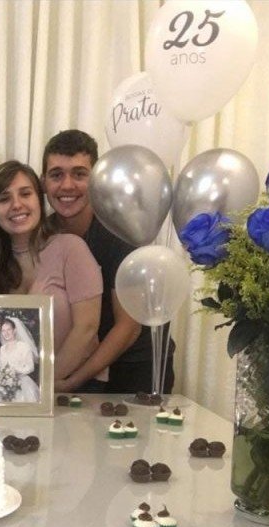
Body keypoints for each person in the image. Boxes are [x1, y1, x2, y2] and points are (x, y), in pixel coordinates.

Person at [41, 129, 174, 394]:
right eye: (56, 175)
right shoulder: (44, 234)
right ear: (43, 182)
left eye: (79, 174)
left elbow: (128, 327)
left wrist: (72, 381)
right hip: (81, 364)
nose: (67, 185)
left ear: (96, 180)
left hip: (135, 365)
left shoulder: (119, 230)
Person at [0, 160, 104, 388]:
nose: (16, 205)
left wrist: (43, 384)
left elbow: (87, 328)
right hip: (16, 391)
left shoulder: (70, 248)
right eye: (4, 199)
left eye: (25, 194)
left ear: (39, 200)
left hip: (76, 389)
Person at [0, 317, 40, 403]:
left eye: (9, 330)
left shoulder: (24, 346)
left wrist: (14, 372)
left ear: (14, 330)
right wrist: (1, 376)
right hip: (3, 384)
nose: (6, 333)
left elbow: (30, 367)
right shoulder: (2, 349)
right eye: (3, 331)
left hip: (22, 384)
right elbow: (1, 366)